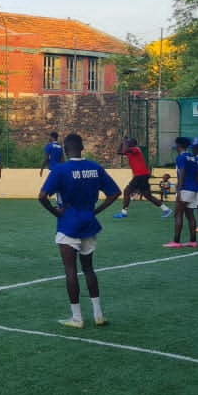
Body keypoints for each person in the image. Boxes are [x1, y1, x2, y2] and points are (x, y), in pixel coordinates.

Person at [38, 133, 121, 329]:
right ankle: (98, 314)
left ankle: (77, 318)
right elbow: (114, 193)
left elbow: (42, 197)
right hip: (88, 223)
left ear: (65, 151)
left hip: (68, 224)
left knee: (70, 271)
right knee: (89, 269)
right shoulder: (95, 167)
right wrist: (96, 211)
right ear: (82, 147)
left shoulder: (60, 170)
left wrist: (56, 213)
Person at [112, 137, 172, 219]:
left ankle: (124, 212)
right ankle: (166, 209)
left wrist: (125, 141)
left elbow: (125, 150)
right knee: (148, 195)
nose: (127, 144)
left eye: (129, 143)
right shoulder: (130, 152)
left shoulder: (136, 149)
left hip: (140, 175)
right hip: (142, 175)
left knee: (127, 191)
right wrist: (122, 142)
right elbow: (119, 152)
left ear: (133, 144)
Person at [165, 137, 198, 248]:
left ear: (179, 145)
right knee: (190, 215)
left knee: (178, 214)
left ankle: (176, 241)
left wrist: (179, 190)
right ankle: (193, 241)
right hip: (193, 189)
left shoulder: (180, 157)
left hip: (184, 189)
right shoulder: (193, 157)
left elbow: (182, 173)